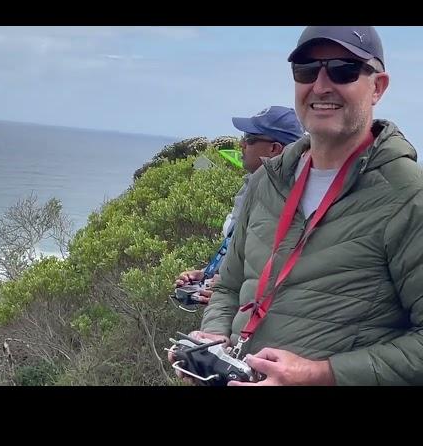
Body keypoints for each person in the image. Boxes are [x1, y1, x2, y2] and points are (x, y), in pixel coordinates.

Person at [179, 26, 423, 386]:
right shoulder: (269, 181)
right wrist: (213, 338)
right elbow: (229, 287)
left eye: (343, 69)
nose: (321, 85)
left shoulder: (407, 195)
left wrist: (318, 374)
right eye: (306, 70)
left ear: (378, 87)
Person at [174, 106, 304, 303]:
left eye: (250, 139)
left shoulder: (292, 201)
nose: (242, 143)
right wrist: (208, 274)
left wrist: (233, 290)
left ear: (275, 149)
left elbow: (285, 277)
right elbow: (246, 254)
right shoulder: (251, 186)